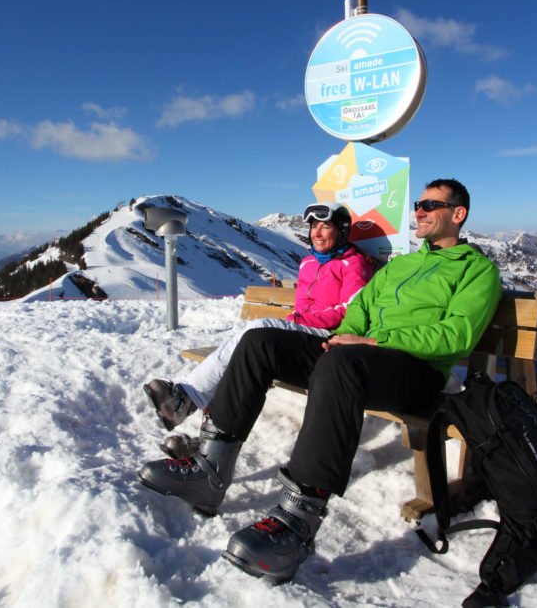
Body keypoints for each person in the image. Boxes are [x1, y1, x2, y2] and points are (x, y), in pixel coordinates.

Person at [138, 178, 502, 583]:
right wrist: (345, 337)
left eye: (431, 205)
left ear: (458, 214)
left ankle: (297, 521)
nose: (419, 210)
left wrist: (370, 340)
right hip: (362, 353)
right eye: (418, 203)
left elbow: (456, 337)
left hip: (415, 368)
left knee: (341, 363)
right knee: (260, 342)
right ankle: (210, 471)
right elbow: (360, 309)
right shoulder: (403, 265)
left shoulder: (477, 270)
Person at [143, 202, 374, 438]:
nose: (316, 233)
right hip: (304, 329)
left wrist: (302, 320)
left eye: (324, 227)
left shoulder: (353, 263)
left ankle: (188, 398)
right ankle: (195, 408)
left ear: (341, 231)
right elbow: (303, 305)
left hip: (329, 336)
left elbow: (349, 310)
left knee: (257, 329)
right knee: (249, 340)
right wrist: (299, 319)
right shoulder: (309, 263)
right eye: (314, 226)